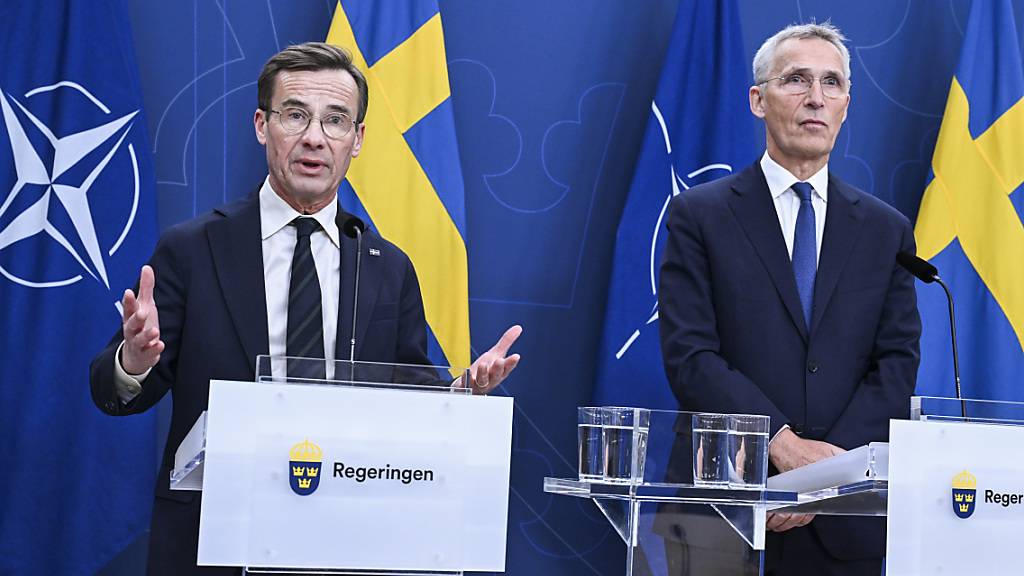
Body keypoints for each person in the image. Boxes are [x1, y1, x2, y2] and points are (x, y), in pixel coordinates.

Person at [90, 42, 521, 576]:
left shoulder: (388, 267)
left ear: (357, 139)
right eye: (295, 115)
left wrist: (460, 397)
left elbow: (408, 395)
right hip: (215, 542)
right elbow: (113, 394)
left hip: (346, 542)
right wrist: (133, 361)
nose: (315, 137)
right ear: (261, 125)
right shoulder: (192, 250)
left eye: (335, 120)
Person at [658, 22, 921, 576]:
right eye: (797, 79)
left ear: (846, 106)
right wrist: (778, 444)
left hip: (844, 517)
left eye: (832, 83)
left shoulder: (886, 230)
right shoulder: (699, 215)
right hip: (723, 502)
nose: (816, 98)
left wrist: (823, 477)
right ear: (758, 100)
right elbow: (691, 356)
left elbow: (896, 365)